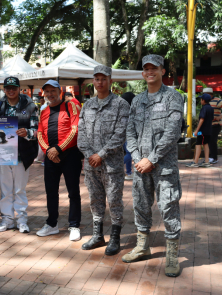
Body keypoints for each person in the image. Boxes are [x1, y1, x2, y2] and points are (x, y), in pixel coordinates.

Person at [124, 54, 183, 277]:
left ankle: (172, 255)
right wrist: (138, 157)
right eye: (146, 69)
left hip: (164, 166)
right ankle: (142, 246)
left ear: (162, 71)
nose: (150, 72)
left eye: (154, 68)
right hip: (141, 166)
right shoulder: (137, 100)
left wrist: (152, 158)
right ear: (143, 73)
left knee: (168, 207)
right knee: (140, 205)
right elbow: (130, 131)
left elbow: (173, 131)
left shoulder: (172, 97)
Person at [77, 65, 130, 255]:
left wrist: (101, 154)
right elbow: (81, 133)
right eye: (97, 79)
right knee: (95, 200)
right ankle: (98, 236)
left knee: (115, 200)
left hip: (112, 164)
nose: (100, 82)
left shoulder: (121, 105)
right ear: (93, 81)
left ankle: (115, 238)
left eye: (104, 79)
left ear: (110, 81)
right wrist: (91, 154)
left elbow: (120, 134)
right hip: (91, 165)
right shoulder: (88, 105)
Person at [36, 80, 83, 241]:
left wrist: (59, 149)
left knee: (73, 192)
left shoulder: (71, 106)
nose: (50, 94)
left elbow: (75, 130)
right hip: (51, 157)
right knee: (51, 192)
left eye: (53, 91)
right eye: (47, 91)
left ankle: (74, 225)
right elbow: (40, 133)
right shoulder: (44, 111)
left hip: (70, 155)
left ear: (60, 92)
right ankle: (52, 224)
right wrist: (49, 152)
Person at [0, 77, 39, 233]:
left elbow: (37, 131)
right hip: (4, 153)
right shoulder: (0, 106)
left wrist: (27, 132)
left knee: (19, 189)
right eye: (8, 88)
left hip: (22, 153)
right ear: (4, 90)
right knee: (5, 189)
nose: (10, 91)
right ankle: (7, 219)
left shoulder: (29, 106)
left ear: (19, 88)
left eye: (13, 88)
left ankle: (21, 220)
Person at [186, 93, 214, 168]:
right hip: (208, 130)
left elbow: (201, 119)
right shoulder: (211, 108)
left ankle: (195, 162)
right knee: (206, 144)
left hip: (202, 131)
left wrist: (196, 130)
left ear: (203, 100)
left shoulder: (204, 108)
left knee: (198, 144)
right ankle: (207, 161)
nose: (200, 100)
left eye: (201, 99)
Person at [204, 88, 222, 164]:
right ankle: (210, 157)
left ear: (209, 94)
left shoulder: (218, 100)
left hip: (216, 124)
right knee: (208, 141)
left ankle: (213, 157)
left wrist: (220, 116)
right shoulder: (205, 101)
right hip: (208, 124)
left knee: (212, 140)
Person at [122, 92, 136, 180]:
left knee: (128, 153)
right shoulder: (131, 110)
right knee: (130, 154)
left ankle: (128, 172)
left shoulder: (121, 108)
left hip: (123, 136)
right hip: (129, 135)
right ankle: (117, 166)